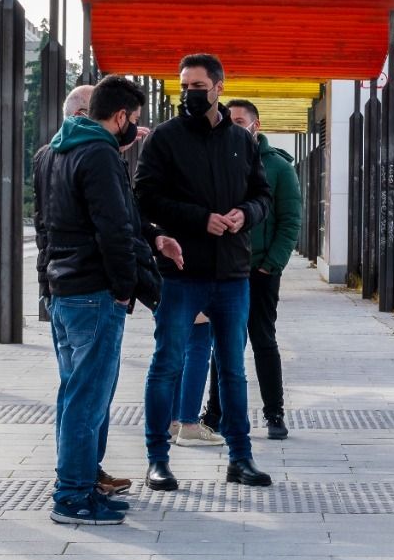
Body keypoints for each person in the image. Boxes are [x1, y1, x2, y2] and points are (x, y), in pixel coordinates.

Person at [34, 74, 182, 525]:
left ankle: (78, 484)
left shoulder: (53, 152)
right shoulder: (98, 153)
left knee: (74, 394)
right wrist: (125, 290)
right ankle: (73, 495)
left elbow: (45, 226)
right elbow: (114, 228)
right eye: (132, 121)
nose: (131, 131)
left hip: (64, 290)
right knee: (88, 398)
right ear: (120, 116)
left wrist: (46, 284)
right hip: (94, 293)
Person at [135, 53, 273, 491]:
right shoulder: (164, 139)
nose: (189, 93)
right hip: (182, 273)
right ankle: (158, 458)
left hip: (233, 273)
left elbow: (263, 197)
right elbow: (145, 197)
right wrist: (199, 219)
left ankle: (241, 457)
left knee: (233, 369)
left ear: (218, 86)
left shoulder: (243, 141)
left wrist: (243, 215)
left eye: (197, 86)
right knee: (166, 364)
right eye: (185, 86)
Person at [181, 99, 301, 441]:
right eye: (227, 121)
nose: (232, 127)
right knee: (224, 344)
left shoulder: (278, 167)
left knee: (263, 340)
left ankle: (274, 413)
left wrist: (271, 265)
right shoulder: (216, 160)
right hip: (225, 271)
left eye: (239, 121)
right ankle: (215, 413)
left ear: (255, 125)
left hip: (262, 270)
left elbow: (291, 220)